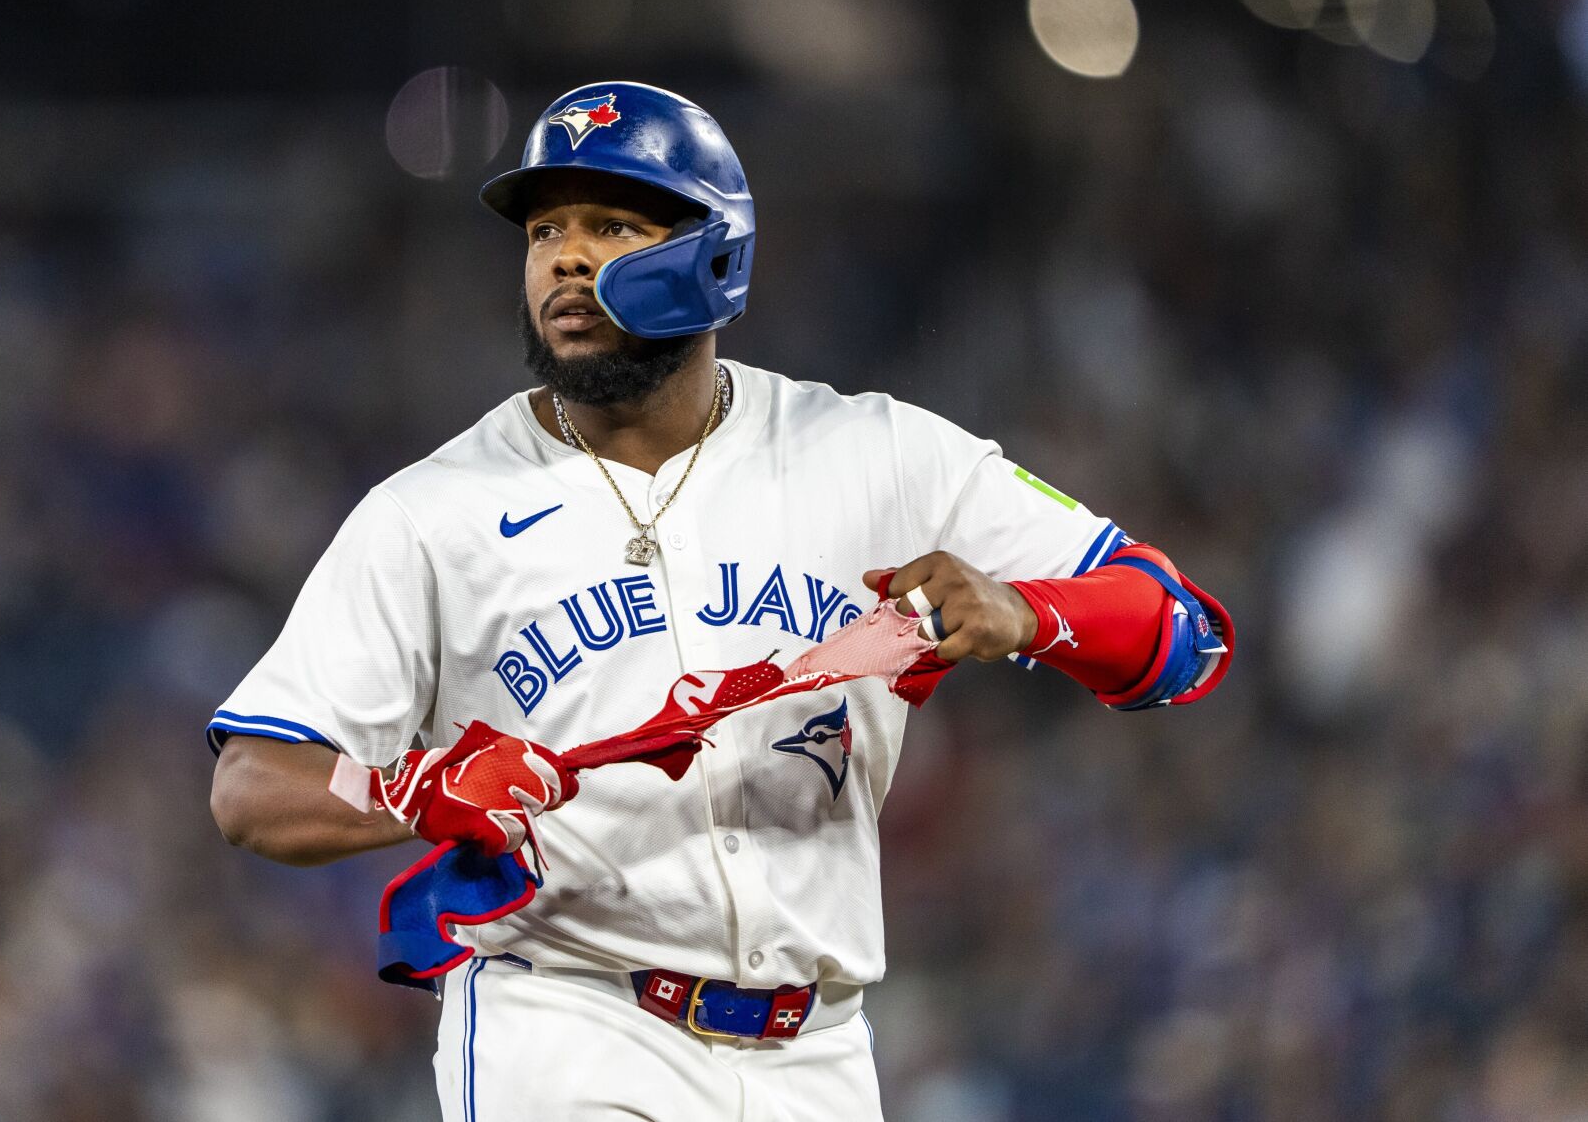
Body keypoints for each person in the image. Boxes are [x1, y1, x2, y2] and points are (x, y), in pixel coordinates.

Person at [207, 81, 1233, 1121]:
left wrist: (1025, 612)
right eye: (545, 230)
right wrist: (413, 790)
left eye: (611, 225)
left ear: (715, 251)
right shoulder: (432, 511)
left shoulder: (872, 453)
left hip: (816, 1051)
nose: (564, 258)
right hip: (566, 1028)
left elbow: (1182, 631)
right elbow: (252, 783)